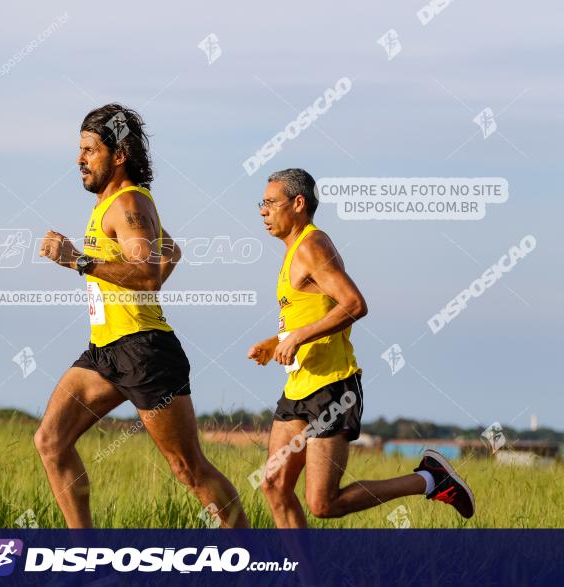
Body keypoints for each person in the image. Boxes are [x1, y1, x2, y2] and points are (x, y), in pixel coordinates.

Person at [36, 103, 249, 528]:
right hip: (106, 352)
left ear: (118, 155)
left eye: (90, 150)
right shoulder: (114, 204)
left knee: (189, 469)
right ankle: (87, 561)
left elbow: (149, 275)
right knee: (51, 441)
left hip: (145, 353)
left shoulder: (128, 203)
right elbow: (170, 252)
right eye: (79, 149)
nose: (79, 159)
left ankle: (251, 558)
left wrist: (78, 262)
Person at [247, 168, 475, 527]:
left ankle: (430, 479)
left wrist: (297, 337)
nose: (262, 210)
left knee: (323, 503)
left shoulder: (312, 245)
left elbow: (354, 304)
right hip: (299, 388)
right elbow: (314, 312)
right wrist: (276, 340)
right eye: (263, 203)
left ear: (299, 203)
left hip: (332, 389)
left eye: (271, 202)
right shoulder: (293, 252)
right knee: (274, 485)